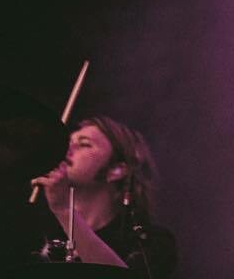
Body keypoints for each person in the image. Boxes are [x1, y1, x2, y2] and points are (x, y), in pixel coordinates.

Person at [29, 116, 178, 276]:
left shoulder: (147, 242)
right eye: (68, 142)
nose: (66, 149)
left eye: (84, 144)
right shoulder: (35, 230)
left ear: (116, 170)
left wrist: (64, 210)